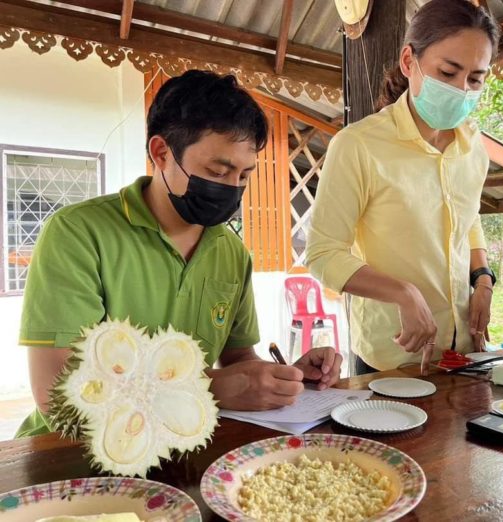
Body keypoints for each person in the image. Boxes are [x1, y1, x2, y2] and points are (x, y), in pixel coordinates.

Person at [17, 70, 342, 437]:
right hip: (74, 457)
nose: (232, 189)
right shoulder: (78, 234)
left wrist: (283, 379)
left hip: (186, 448)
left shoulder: (230, 252)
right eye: (218, 171)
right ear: (161, 153)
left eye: (244, 176)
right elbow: (58, 394)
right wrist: (212, 387)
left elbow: (237, 360)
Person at [306, 0, 499, 375]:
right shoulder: (358, 145)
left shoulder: (474, 147)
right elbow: (324, 254)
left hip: (461, 354)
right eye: (448, 72)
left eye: (475, 79)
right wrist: (403, 293)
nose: (461, 90)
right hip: (389, 360)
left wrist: (484, 280)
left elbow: (468, 219)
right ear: (409, 62)